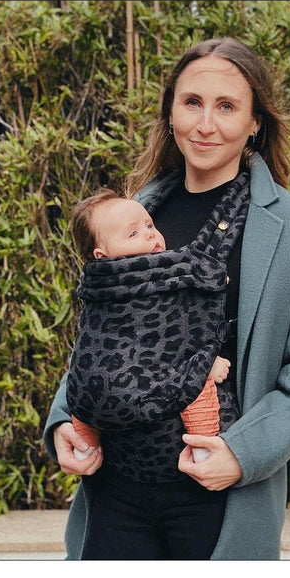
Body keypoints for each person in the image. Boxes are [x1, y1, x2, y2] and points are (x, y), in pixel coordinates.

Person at [44, 37, 290, 560]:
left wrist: (243, 453)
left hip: (217, 494)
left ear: (255, 122)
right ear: (170, 113)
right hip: (115, 491)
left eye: (226, 106)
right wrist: (63, 422)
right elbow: (101, 338)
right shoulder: (133, 217)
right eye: (192, 103)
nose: (206, 124)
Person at [66, 189, 234, 463]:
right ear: (102, 255)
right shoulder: (105, 290)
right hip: (117, 401)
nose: (150, 235)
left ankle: (203, 449)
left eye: (150, 225)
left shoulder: (158, 274)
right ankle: (203, 448)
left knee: (85, 391)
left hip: (134, 415)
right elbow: (90, 348)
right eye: (133, 234)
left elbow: (176, 333)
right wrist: (205, 363)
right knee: (194, 386)